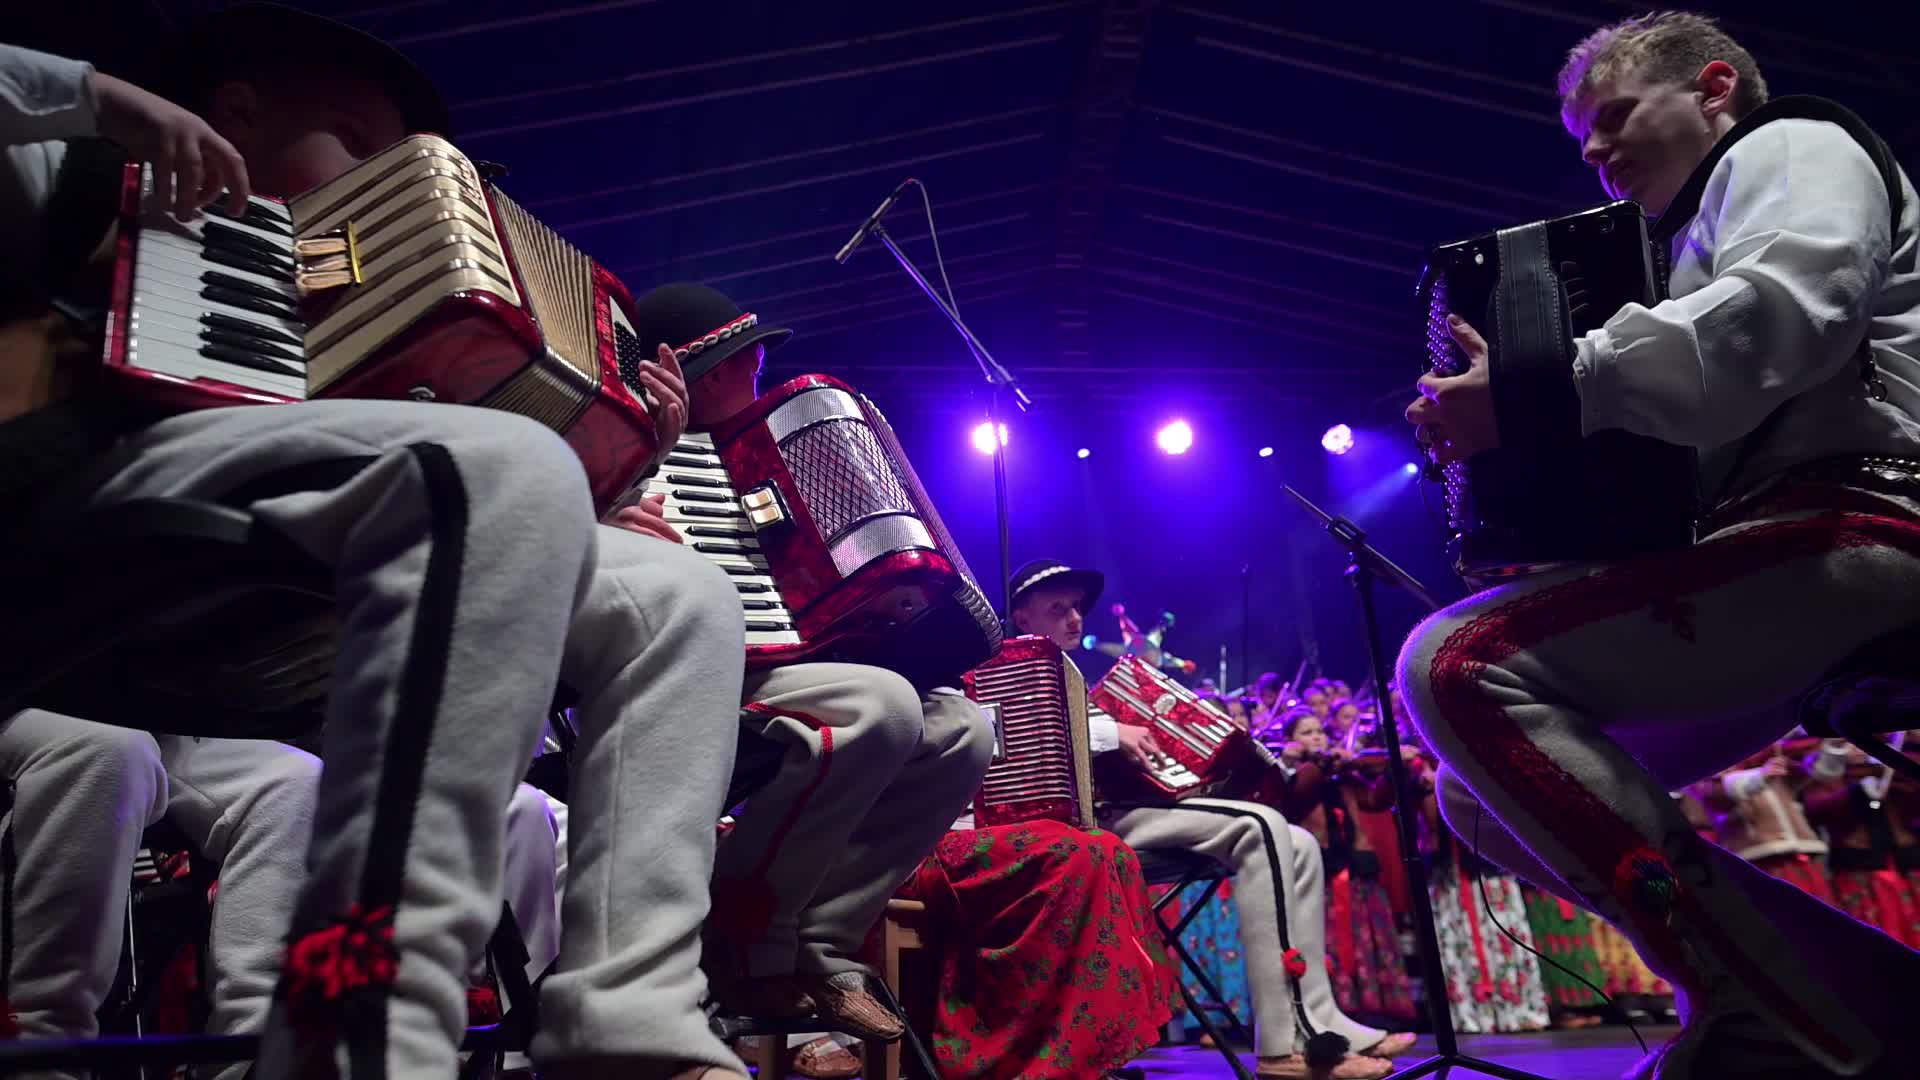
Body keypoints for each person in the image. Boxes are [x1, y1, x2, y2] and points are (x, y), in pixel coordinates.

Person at [2, 8, 749, 1079]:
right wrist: (95, 95)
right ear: (233, 110)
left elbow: (504, 532)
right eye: (353, 139)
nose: (382, 177)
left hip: (264, 573)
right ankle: (358, 1016)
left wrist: (626, 458)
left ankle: (627, 1021)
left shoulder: (346, 318)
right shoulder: (82, 170)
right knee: (495, 468)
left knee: (677, 598)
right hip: (82, 494)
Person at [1399, 9, 1920, 1078]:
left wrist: (1541, 393)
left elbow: (1780, 317)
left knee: (1450, 664)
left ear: (1715, 87)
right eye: (1580, 136)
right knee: (1481, 795)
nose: (1592, 152)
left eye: (1613, 116)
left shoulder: (1791, 144)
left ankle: (1765, 1016)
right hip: (1781, 558)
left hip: (1868, 528)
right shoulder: (1682, 243)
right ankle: (1872, 1002)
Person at [604, 281, 995, 1039]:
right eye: (743, 366)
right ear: (711, 372)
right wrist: (616, 507)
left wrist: (876, 608)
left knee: (964, 728)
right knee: (879, 708)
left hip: (788, 664)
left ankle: (818, 941)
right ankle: (746, 934)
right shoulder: (626, 446)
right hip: (686, 674)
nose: (754, 377)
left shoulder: (761, 454)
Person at [1008, 559, 1413, 1080]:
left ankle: (1319, 1015)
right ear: (1021, 617)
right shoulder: (1014, 667)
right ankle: (1281, 1047)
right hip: (1088, 825)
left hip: (1128, 810)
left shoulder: (1069, 670)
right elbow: (1024, 747)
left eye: (1077, 608)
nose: (1074, 618)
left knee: (1299, 844)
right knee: (1261, 827)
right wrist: (1114, 735)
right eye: (1056, 608)